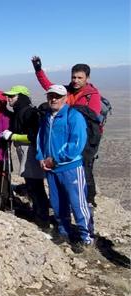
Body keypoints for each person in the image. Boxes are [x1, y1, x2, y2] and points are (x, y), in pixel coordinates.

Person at [32, 56, 102, 207]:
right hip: (68, 135)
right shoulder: (67, 90)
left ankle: (88, 200)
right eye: (73, 77)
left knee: (85, 165)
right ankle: (65, 198)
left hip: (87, 136)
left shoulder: (92, 95)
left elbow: (91, 116)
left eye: (79, 77)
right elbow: (49, 86)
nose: (76, 80)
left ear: (87, 78)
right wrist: (38, 70)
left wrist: (69, 110)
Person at [36, 84, 94, 252]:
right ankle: (64, 232)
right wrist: (40, 157)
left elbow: (76, 144)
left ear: (65, 98)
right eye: (50, 96)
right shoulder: (47, 116)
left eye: (57, 96)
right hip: (52, 169)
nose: (53, 99)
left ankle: (86, 238)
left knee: (78, 203)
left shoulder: (73, 116)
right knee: (57, 202)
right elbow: (41, 139)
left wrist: (55, 159)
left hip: (70, 168)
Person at [0, 85, 50, 228]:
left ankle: (42, 219)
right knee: (32, 185)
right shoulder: (20, 112)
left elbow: (34, 137)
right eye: (8, 96)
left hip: (31, 153)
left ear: (21, 97)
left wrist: (13, 136)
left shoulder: (28, 113)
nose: (8, 99)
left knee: (35, 186)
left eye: (12, 96)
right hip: (26, 153)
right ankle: (39, 215)